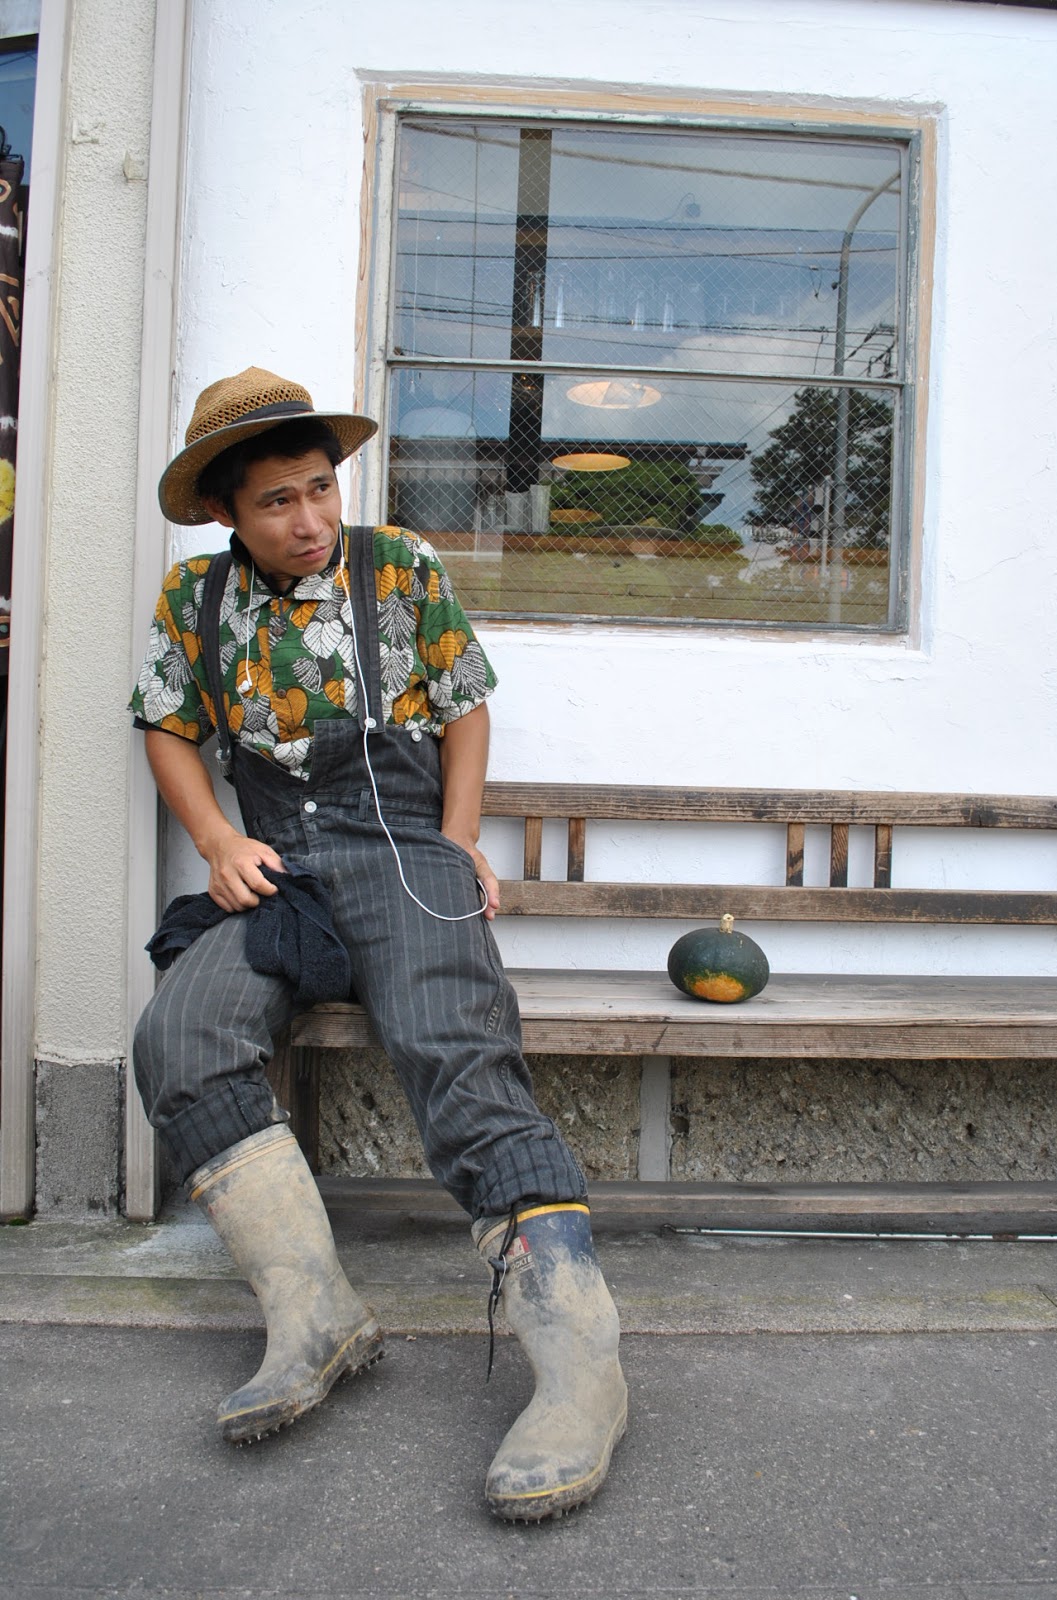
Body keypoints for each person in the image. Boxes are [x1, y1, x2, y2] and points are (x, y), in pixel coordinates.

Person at [129, 367, 626, 1522]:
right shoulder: (196, 598)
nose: (309, 519)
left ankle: (581, 1369)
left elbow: (464, 703)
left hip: (402, 849)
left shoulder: (397, 566)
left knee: (457, 1052)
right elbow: (166, 723)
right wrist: (215, 838)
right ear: (225, 510)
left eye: (320, 488)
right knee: (179, 1036)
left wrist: (456, 841)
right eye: (277, 501)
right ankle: (315, 1316)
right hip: (282, 870)